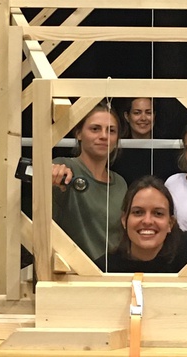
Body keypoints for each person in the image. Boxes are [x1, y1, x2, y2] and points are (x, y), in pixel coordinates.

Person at [52, 101, 127, 261]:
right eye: (95, 129)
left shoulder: (120, 183)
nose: (104, 136)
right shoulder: (64, 167)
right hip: (72, 270)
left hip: (113, 271)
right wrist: (51, 175)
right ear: (79, 133)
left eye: (111, 130)